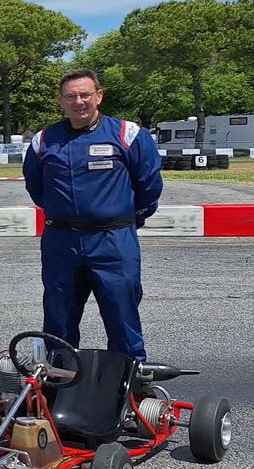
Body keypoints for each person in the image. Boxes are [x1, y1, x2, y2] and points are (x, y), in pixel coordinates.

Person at [23, 68, 162, 360]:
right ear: (61, 102)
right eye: (71, 96)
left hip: (113, 240)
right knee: (59, 319)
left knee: (122, 316)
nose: (79, 102)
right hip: (61, 243)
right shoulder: (43, 140)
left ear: (99, 96)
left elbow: (149, 186)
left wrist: (126, 219)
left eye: (85, 95)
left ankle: (129, 380)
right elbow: (36, 187)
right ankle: (60, 378)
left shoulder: (128, 134)